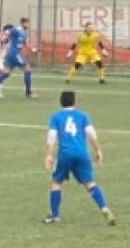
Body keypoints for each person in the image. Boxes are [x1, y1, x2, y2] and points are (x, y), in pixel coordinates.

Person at [43, 90, 115, 225]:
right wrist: (98, 150)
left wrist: (49, 155)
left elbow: (51, 137)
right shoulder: (82, 116)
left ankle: (54, 215)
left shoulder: (56, 117)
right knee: (90, 183)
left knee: (56, 182)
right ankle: (104, 208)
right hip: (82, 153)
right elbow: (91, 133)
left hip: (65, 154)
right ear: (74, 102)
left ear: (60, 102)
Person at [0, 17, 37, 98]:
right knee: (28, 70)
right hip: (14, 53)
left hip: (12, 54)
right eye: (27, 23)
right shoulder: (16, 30)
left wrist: (32, 49)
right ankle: (28, 93)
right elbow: (5, 33)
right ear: (22, 23)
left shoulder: (25, 33)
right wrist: (1, 41)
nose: (29, 25)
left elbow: (25, 43)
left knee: (6, 73)